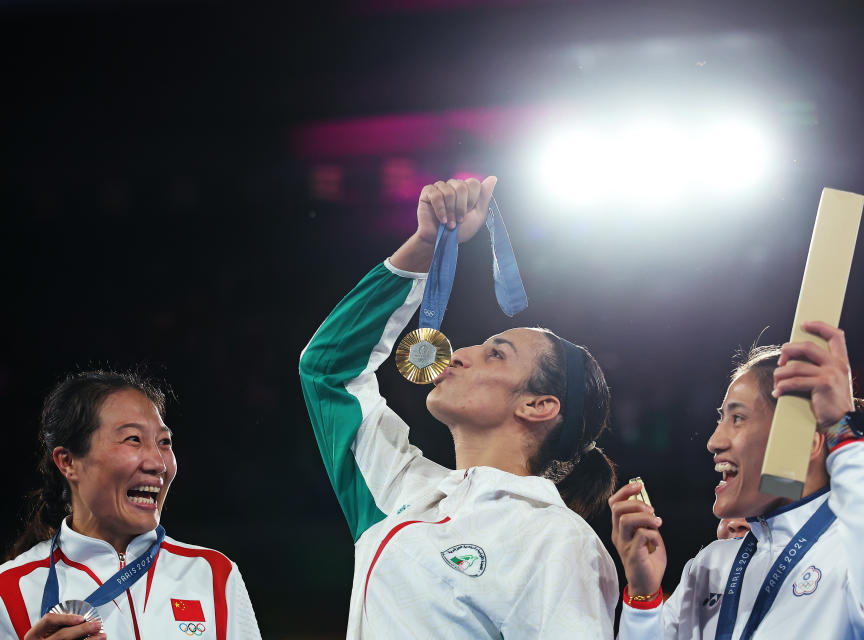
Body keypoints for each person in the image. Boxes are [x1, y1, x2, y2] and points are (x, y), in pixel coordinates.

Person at [299, 176, 620, 638]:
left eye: (496, 353)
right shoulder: (401, 492)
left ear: (538, 405)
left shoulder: (557, 540)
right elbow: (328, 370)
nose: (460, 353)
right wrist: (425, 245)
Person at [610, 324, 864, 639]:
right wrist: (643, 596)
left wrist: (843, 431)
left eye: (737, 418)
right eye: (720, 418)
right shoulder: (711, 566)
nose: (713, 441)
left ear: (805, 442)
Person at [0, 370, 262, 640]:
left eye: (164, 442)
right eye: (133, 439)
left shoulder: (213, 575)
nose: (158, 464)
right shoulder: (8, 593)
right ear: (68, 462)